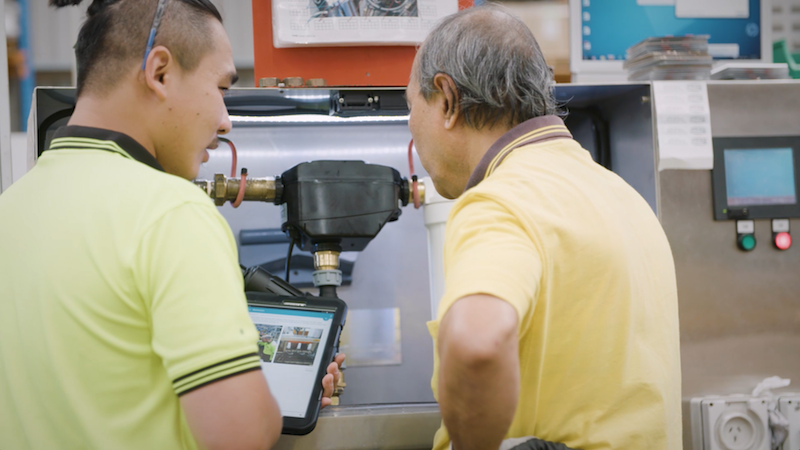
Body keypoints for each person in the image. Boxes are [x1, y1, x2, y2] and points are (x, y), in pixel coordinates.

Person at [0, 1, 343, 449]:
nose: (225, 120)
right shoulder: (172, 213)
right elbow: (240, 434)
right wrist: (272, 385)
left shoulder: (12, 207)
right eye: (221, 87)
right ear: (159, 71)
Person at [406, 5, 681, 450]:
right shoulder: (623, 196)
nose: (410, 126)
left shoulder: (502, 200)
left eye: (410, 106)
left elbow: (477, 344)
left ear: (447, 100)